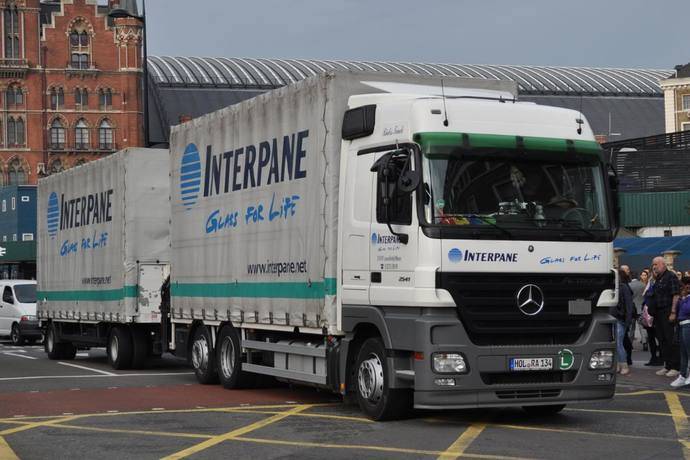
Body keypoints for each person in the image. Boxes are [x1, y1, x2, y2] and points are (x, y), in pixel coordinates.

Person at [651, 257, 681, 377]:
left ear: (663, 264)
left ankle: (675, 367)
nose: (654, 266)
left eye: (656, 264)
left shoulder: (671, 276)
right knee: (662, 339)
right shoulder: (658, 278)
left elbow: (676, 295)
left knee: (670, 339)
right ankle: (667, 365)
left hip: (667, 311)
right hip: (658, 312)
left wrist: (673, 312)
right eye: (653, 264)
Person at [612, 268, 634, 375]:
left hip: (620, 319)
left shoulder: (623, 287)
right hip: (614, 318)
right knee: (616, 343)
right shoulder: (615, 287)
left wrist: (628, 320)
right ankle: (618, 364)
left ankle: (623, 364)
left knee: (618, 343)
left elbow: (629, 305)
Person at [670, 277, 690, 388]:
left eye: (688, 285)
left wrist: (685, 299)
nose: (686, 287)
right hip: (682, 325)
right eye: (684, 285)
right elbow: (678, 309)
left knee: (688, 351)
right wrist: (682, 298)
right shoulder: (684, 297)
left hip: (688, 324)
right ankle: (682, 376)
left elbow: (687, 309)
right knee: (683, 353)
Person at [640, 269, 662, 365]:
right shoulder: (650, 283)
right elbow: (645, 296)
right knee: (651, 338)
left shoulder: (659, 284)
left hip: (656, 315)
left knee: (659, 338)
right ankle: (654, 358)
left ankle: (661, 358)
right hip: (649, 315)